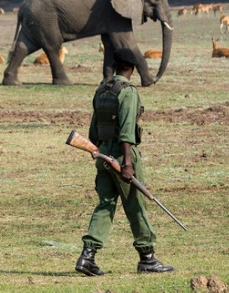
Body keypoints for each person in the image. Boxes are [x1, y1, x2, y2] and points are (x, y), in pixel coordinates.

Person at [75, 50, 174, 276]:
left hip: (103, 155)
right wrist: (127, 163)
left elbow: (93, 131)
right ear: (133, 69)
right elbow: (128, 131)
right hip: (122, 156)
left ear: (115, 65)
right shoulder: (128, 92)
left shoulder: (102, 90)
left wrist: (102, 152)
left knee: (106, 204)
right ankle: (147, 258)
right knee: (136, 204)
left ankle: (87, 256)